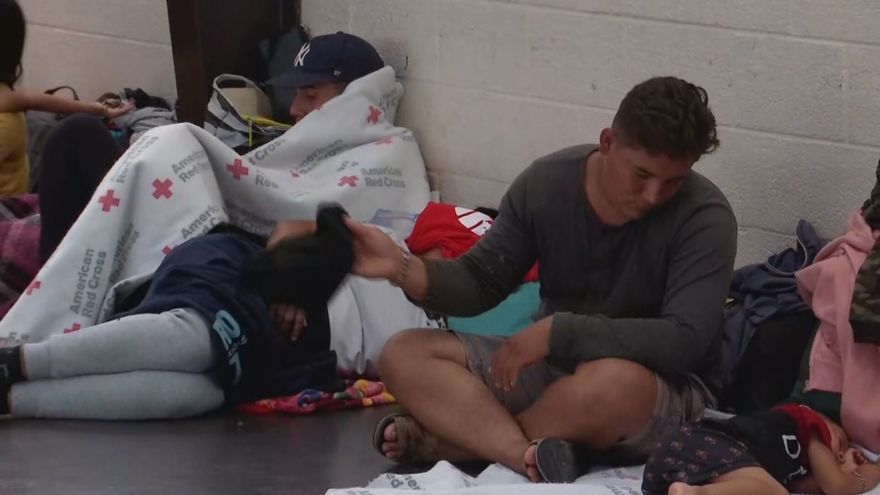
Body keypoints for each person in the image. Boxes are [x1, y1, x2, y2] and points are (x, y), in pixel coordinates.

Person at [344, 76, 738, 482]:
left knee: (609, 384)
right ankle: (524, 453)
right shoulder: (548, 183)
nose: (654, 194)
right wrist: (402, 267)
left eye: (672, 181)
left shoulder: (705, 217)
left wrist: (559, 332)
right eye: (641, 174)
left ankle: (452, 444)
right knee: (403, 353)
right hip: (553, 369)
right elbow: (480, 280)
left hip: (652, 388)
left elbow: (686, 340)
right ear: (607, 142)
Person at [0, 0, 132, 197]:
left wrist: (98, 110)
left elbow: (31, 100)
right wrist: (96, 109)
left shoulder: (5, 123)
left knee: (80, 128)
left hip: (7, 210)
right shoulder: (8, 98)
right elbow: (32, 100)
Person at [642, 403, 880, 495]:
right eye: (841, 441)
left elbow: (811, 485)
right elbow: (836, 486)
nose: (839, 454)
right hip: (702, 441)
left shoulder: (786, 466)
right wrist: (871, 472)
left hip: (678, 465)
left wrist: (846, 465)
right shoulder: (808, 424)